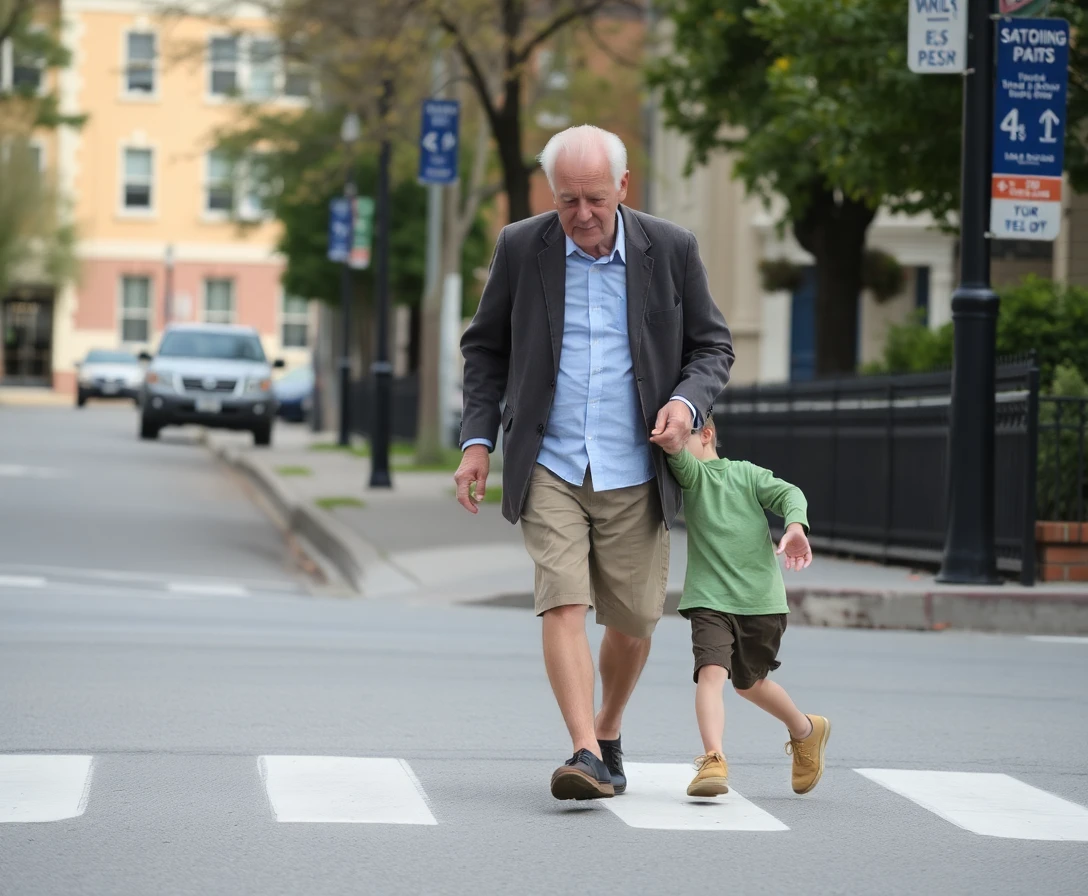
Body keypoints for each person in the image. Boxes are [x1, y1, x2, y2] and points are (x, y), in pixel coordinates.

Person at [454, 124, 734, 801]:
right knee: (563, 602)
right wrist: (477, 441)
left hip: (637, 463)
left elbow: (712, 346)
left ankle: (608, 730)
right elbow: (486, 350)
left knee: (634, 621)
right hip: (549, 459)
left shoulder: (670, 248)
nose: (581, 215)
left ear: (623, 188)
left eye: (595, 199)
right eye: (567, 199)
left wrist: (686, 405)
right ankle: (582, 749)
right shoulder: (522, 247)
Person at [655, 412, 830, 798]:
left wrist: (796, 526)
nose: (680, 442)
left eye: (687, 433)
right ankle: (713, 758)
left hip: (760, 601)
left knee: (749, 684)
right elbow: (677, 455)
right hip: (709, 601)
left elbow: (790, 494)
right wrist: (671, 437)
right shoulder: (693, 475)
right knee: (711, 672)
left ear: (708, 434)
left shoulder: (747, 474)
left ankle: (806, 729)